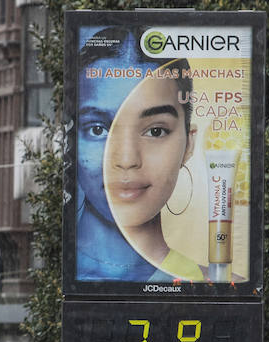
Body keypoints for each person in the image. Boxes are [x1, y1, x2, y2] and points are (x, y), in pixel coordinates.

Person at [75, 26, 202, 282]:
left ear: (188, 144)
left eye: (155, 131)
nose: (127, 160)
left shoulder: (215, 283)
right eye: (97, 129)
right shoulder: (67, 278)